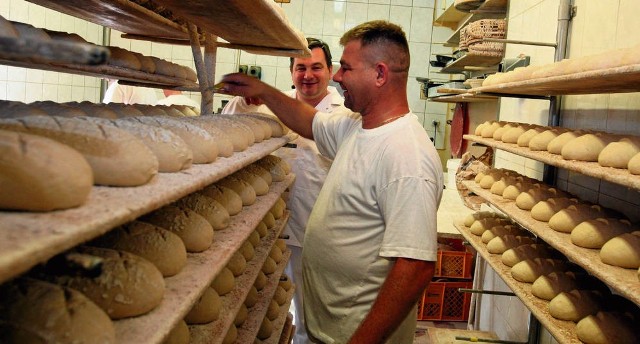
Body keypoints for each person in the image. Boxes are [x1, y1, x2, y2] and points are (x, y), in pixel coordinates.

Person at [219, 20, 443, 343]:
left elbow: (415, 267)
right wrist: (263, 91)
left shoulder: (407, 156)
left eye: (346, 69)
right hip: (333, 328)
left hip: (359, 335)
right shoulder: (357, 127)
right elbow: (309, 122)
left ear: (380, 74)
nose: (336, 77)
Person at [222, 37, 347, 344]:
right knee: (267, 312)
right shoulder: (272, 107)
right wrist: (241, 101)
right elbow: (224, 130)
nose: (308, 75)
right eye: (300, 67)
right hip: (270, 230)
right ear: (291, 71)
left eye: (316, 67)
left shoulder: (343, 115)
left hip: (318, 234)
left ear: (329, 71)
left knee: (312, 317)